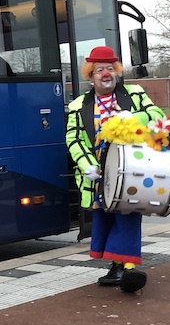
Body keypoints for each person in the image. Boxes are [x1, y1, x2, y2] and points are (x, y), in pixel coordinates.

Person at [65, 45, 164, 293]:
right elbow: (74, 139)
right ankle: (116, 264)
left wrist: (135, 117)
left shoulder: (134, 94)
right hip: (99, 174)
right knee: (106, 217)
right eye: (100, 70)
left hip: (133, 170)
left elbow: (157, 116)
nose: (106, 74)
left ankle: (129, 268)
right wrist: (87, 165)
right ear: (91, 75)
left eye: (110, 68)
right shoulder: (79, 105)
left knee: (128, 214)